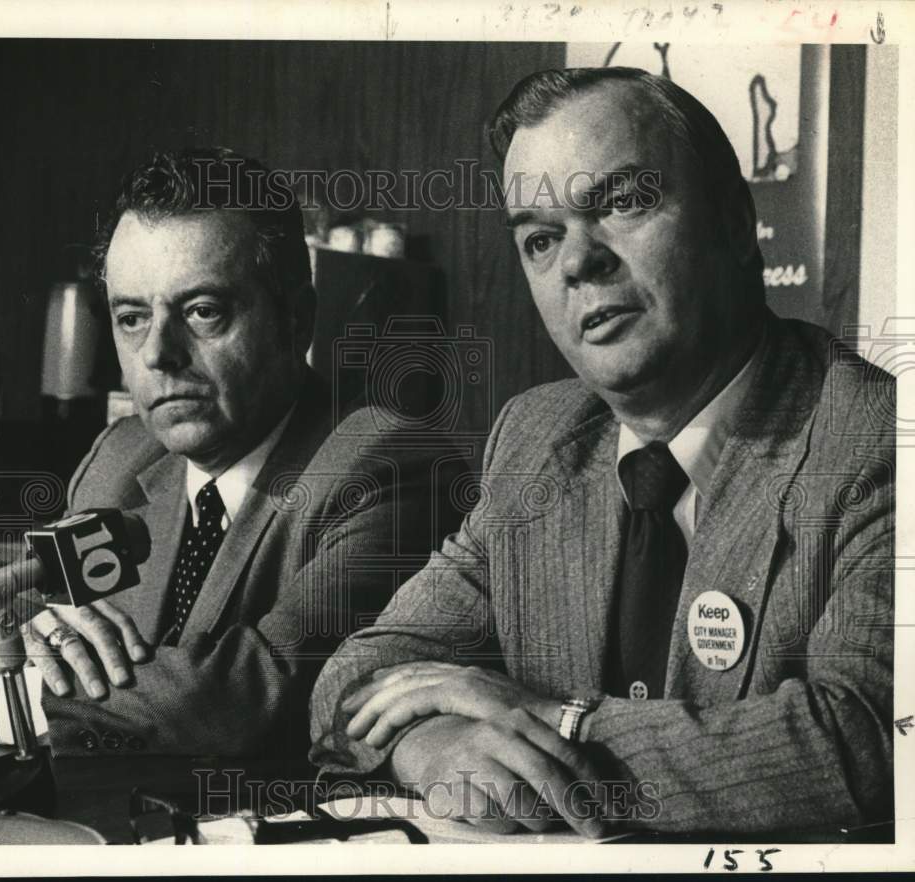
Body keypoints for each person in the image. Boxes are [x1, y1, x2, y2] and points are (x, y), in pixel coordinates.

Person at [309, 68, 895, 837]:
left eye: (621, 203)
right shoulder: (538, 441)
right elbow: (352, 681)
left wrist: (556, 722)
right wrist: (438, 743)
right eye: (540, 238)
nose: (577, 263)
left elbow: (867, 743)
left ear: (732, 220)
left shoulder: (876, 439)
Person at [0, 148, 466, 763]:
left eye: (202, 312)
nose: (158, 355)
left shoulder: (385, 465)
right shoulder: (119, 458)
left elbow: (240, 702)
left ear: (294, 321)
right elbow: (26, 627)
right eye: (132, 317)